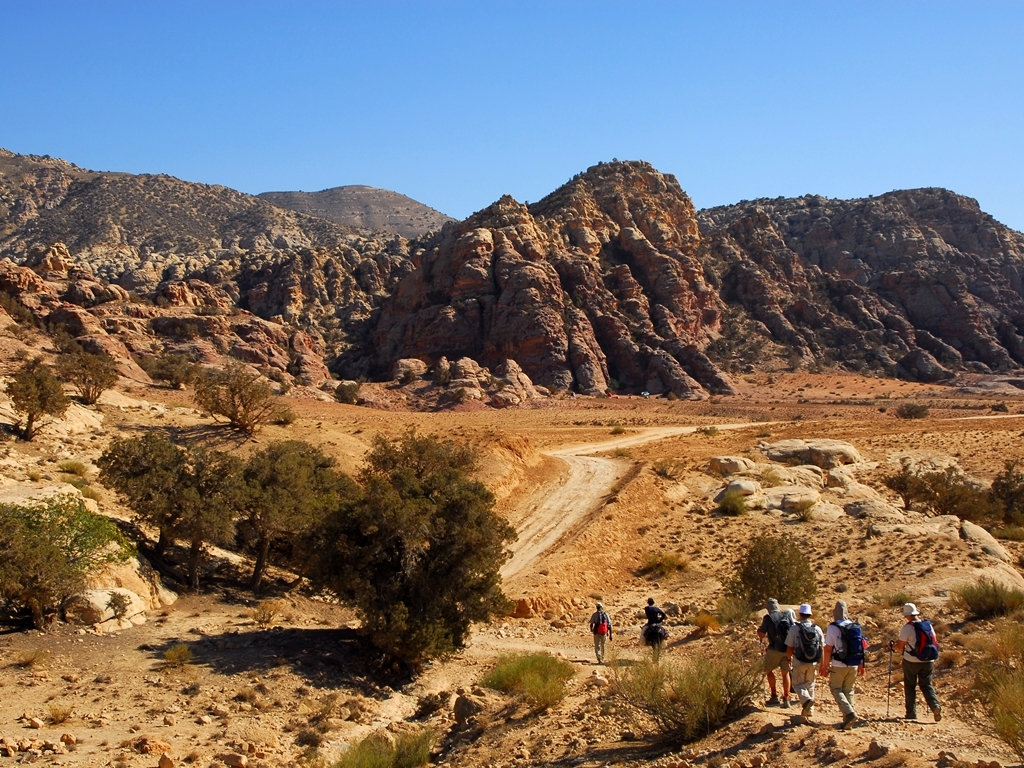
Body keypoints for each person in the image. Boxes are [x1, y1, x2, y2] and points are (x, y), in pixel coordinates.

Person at [819, 600, 865, 729]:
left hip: (839, 664)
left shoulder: (833, 627)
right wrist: (861, 664)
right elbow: (860, 647)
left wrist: (824, 666)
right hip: (854, 664)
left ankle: (849, 713)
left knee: (835, 688)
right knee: (848, 690)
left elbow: (828, 649)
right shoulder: (855, 626)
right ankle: (848, 720)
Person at [892, 602, 941, 722]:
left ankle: (911, 713)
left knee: (910, 685)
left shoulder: (908, 627)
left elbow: (900, 646)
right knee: (926, 685)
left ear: (907, 615)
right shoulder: (928, 625)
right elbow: (934, 641)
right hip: (929, 660)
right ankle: (935, 706)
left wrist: (893, 647)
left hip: (911, 661)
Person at [786, 603, 824, 719]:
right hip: (813, 662)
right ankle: (810, 711)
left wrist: (788, 659)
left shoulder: (794, 628)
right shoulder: (817, 628)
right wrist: (822, 663)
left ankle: (807, 701)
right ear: (810, 614)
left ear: (800, 614)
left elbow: (789, 646)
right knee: (810, 684)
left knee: (797, 684)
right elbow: (822, 646)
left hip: (799, 660)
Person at [756, 598, 792, 708]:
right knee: (785, 673)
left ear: (768, 608)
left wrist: (759, 631)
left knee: (768, 670)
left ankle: (774, 695)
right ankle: (786, 697)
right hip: (786, 649)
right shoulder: (785, 615)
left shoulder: (768, 618)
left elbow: (761, 635)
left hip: (774, 649)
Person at [641, 598, 668, 662]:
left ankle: (643, 641)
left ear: (648, 602)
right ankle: (665, 639)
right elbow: (663, 614)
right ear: (653, 602)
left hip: (650, 623)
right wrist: (659, 620)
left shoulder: (647, 608)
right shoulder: (656, 608)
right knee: (664, 631)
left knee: (643, 630)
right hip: (657, 624)